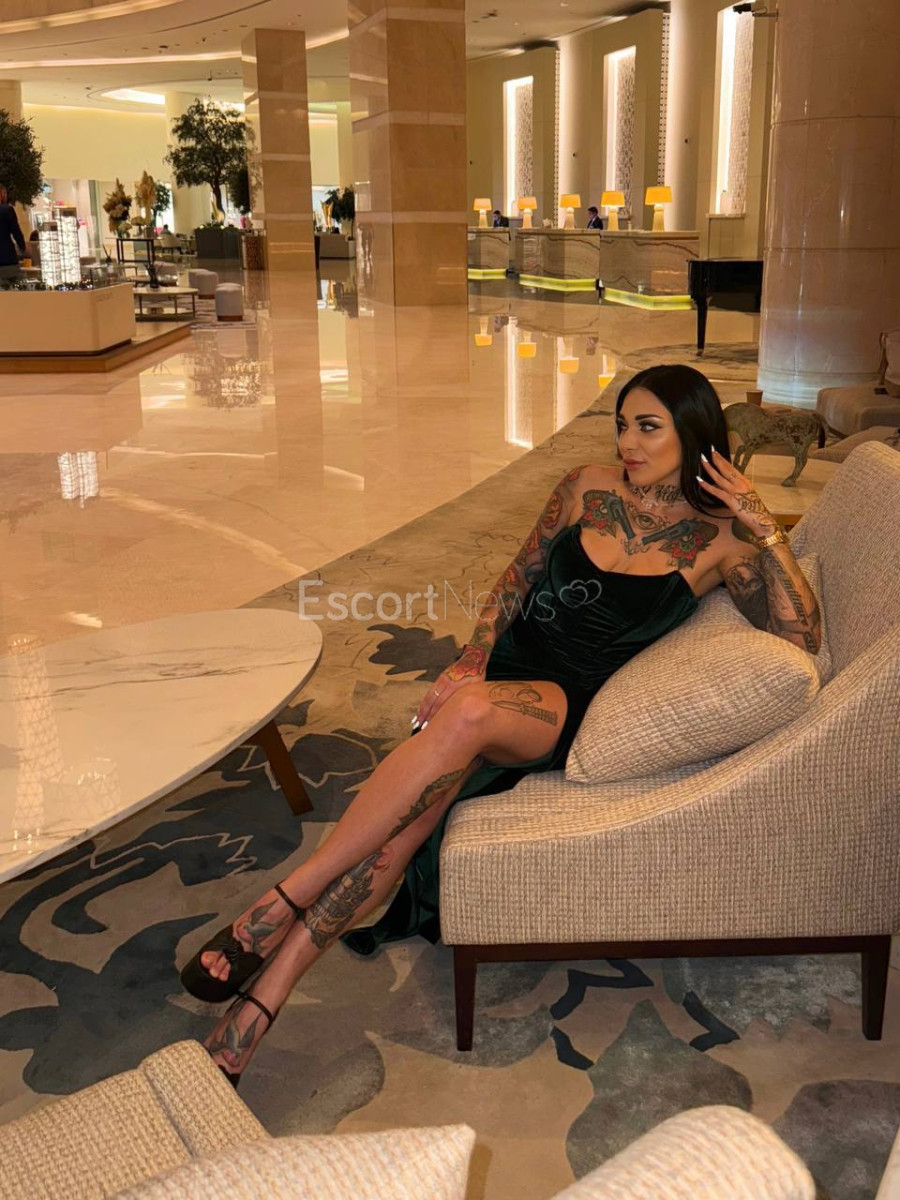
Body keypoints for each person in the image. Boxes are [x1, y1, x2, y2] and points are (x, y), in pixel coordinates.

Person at [180, 363, 821, 1086]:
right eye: (622, 425)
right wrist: (470, 658)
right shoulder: (586, 487)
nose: (628, 443)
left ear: (696, 435)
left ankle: (279, 901)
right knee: (399, 831)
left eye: (648, 427)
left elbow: (801, 641)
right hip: (502, 672)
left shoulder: (721, 542)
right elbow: (517, 577)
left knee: (470, 715)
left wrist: (768, 530)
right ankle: (257, 1009)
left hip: (562, 706)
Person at [0, 185, 26, 280]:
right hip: (6, 258)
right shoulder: (6, 210)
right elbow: (16, 232)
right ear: (2, 194)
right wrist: (23, 248)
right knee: (12, 285)